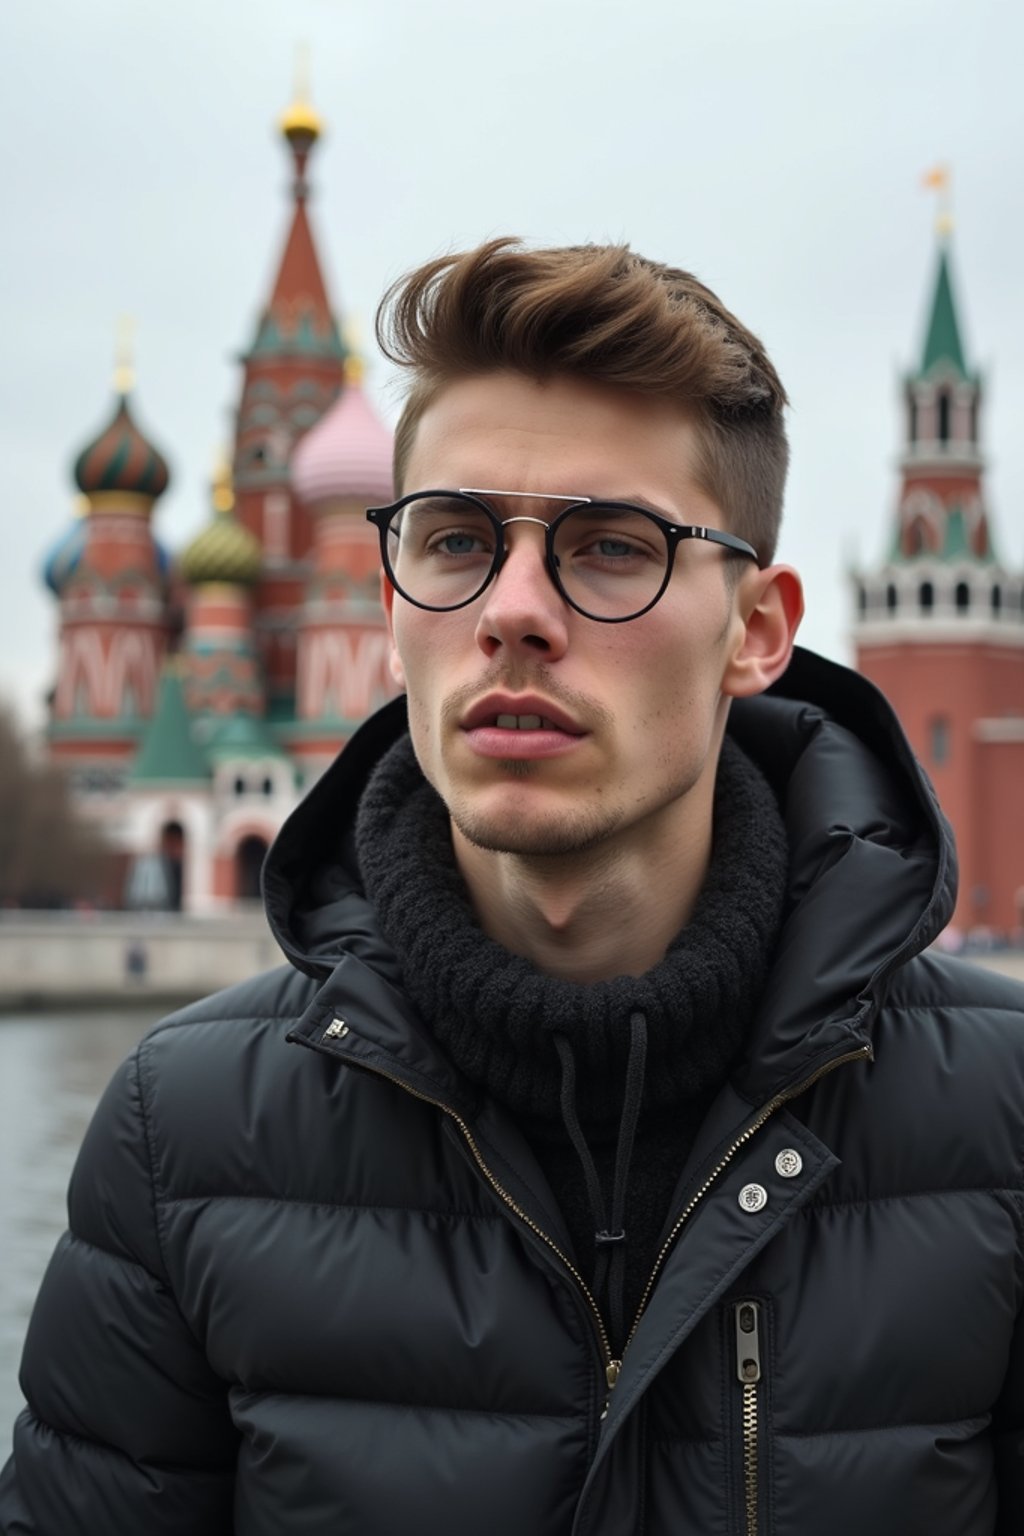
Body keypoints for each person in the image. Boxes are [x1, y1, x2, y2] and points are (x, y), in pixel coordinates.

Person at [2, 239, 1023, 1536]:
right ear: (386, 605)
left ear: (756, 631)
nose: (514, 611)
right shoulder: (183, 1137)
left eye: (610, 547)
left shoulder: (1000, 1122)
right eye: (455, 539)